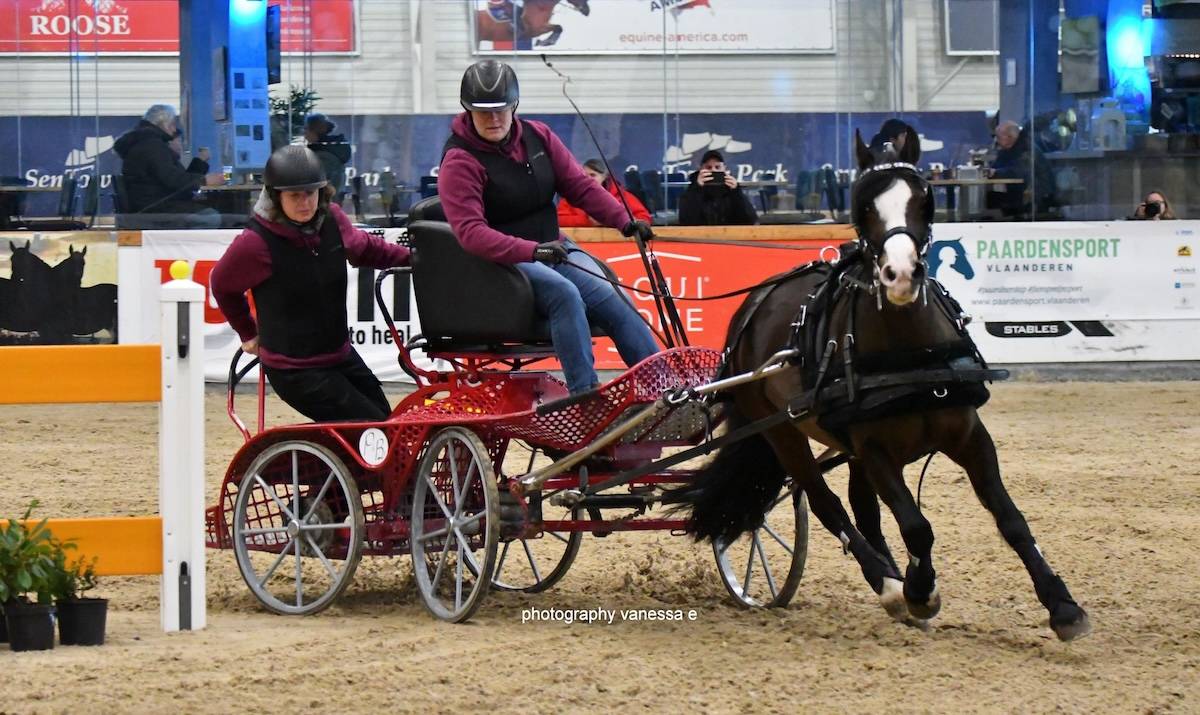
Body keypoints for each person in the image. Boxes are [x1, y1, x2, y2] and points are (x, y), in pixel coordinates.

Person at [438, 60, 659, 395]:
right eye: (483, 112)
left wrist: (625, 221)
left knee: (614, 297)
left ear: (514, 105)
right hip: (502, 263)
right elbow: (471, 234)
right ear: (468, 110)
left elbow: (580, 187)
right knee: (564, 294)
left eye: (501, 109)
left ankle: (662, 388)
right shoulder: (460, 161)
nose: (494, 118)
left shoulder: (538, 136)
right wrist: (532, 251)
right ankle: (585, 395)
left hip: (554, 249)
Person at [210, 145, 410, 422]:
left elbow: (367, 249)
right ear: (276, 196)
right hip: (295, 371)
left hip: (339, 355)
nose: (304, 203)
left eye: (310, 193)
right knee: (371, 429)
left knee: (387, 423)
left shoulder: (333, 218)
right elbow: (222, 285)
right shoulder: (255, 243)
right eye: (294, 196)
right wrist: (247, 332)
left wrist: (416, 259)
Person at [113, 104, 224, 227]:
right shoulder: (152, 146)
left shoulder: (145, 144)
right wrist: (204, 180)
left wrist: (200, 165)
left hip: (151, 203)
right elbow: (173, 179)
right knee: (210, 217)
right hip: (156, 207)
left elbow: (175, 177)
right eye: (173, 125)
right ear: (165, 124)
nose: (174, 130)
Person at [988, 120, 1055, 219]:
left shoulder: (1026, 149)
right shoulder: (1009, 148)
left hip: (1036, 196)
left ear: (1009, 137)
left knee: (991, 200)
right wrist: (991, 170)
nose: (996, 140)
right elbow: (998, 165)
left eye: (998, 137)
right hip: (1020, 193)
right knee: (989, 198)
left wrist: (996, 173)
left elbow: (1019, 172)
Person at [557, 158, 651, 227]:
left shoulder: (623, 196)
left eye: (593, 175)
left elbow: (644, 218)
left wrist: (621, 221)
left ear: (604, 177)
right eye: (585, 175)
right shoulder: (572, 196)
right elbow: (558, 219)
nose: (588, 179)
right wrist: (588, 221)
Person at [677, 149, 758, 226]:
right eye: (708, 167)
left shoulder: (732, 191)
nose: (713, 170)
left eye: (717, 167)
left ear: (724, 169)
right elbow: (685, 220)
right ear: (701, 169)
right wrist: (697, 189)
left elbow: (750, 220)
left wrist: (736, 192)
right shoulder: (692, 190)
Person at [304, 113, 351, 201]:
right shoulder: (331, 151)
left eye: (306, 129)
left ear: (314, 130)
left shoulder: (324, 157)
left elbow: (314, 185)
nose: (304, 133)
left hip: (324, 204)